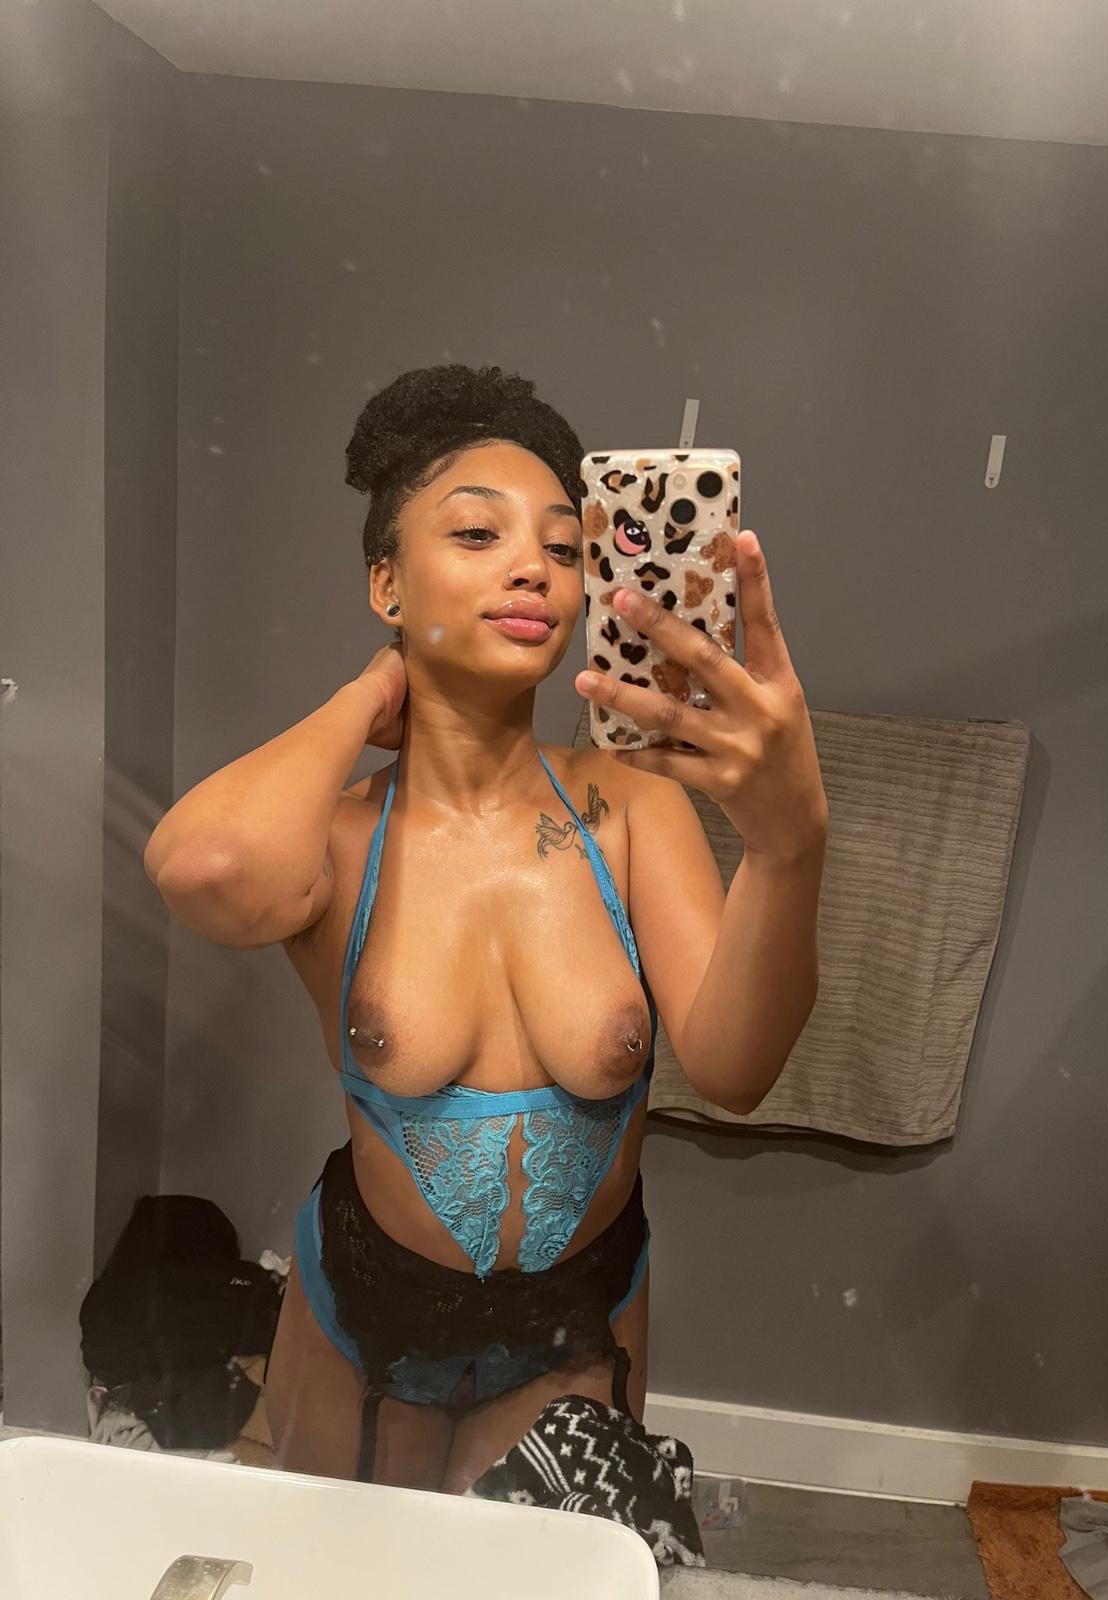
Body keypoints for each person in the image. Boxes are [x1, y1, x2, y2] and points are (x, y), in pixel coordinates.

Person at [143, 363, 739, 1494]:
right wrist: (371, 696)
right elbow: (206, 867)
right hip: (364, 1323)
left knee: (548, 1572)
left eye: (563, 547)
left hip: (580, 1320)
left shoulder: (630, 811)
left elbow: (738, 1065)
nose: (534, 567)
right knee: (349, 1573)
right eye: (476, 533)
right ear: (386, 581)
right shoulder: (339, 837)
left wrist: (791, 842)